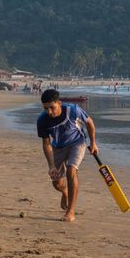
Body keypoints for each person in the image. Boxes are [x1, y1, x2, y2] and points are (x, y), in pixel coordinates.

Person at [37, 89, 98, 222]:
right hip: (58, 147)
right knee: (57, 183)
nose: (49, 112)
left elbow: (89, 123)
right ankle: (65, 192)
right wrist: (51, 166)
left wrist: (93, 143)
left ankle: (70, 211)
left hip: (77, 142)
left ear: (59, 103)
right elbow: (46, 143)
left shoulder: (73, 110)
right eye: (45, 108)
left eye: (52, 107)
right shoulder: (42, 120)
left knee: (71, 171)